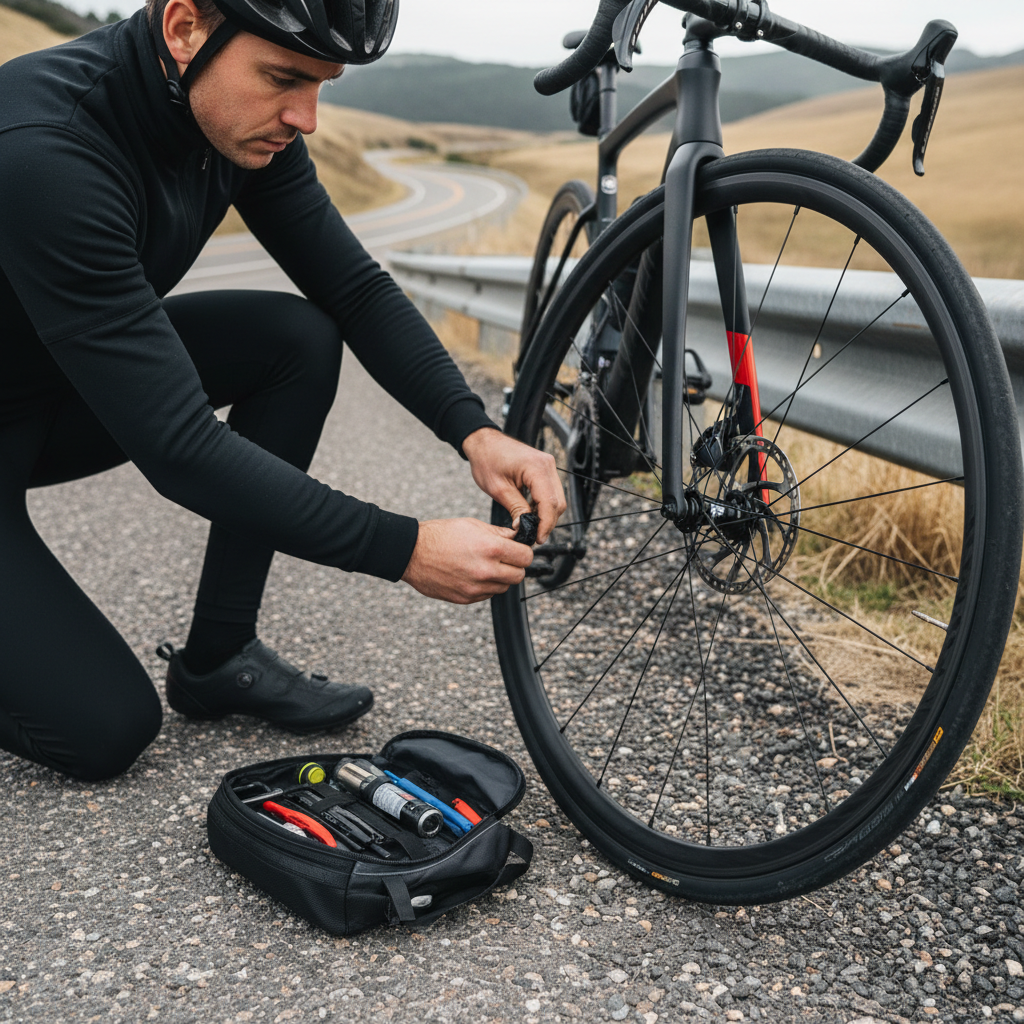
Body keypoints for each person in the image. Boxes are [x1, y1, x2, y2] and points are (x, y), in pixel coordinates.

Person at [0, 0, 566, 781]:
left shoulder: (222, 118)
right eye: (283, 79)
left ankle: (218, 657)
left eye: (322, 86)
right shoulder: (45, 150)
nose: (304, 117)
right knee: (104, 730)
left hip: (38, 399)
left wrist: (474, 429)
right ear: (185, 27)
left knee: (295, 339)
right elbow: (180, 449)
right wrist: (404, 549)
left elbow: (355, 290)